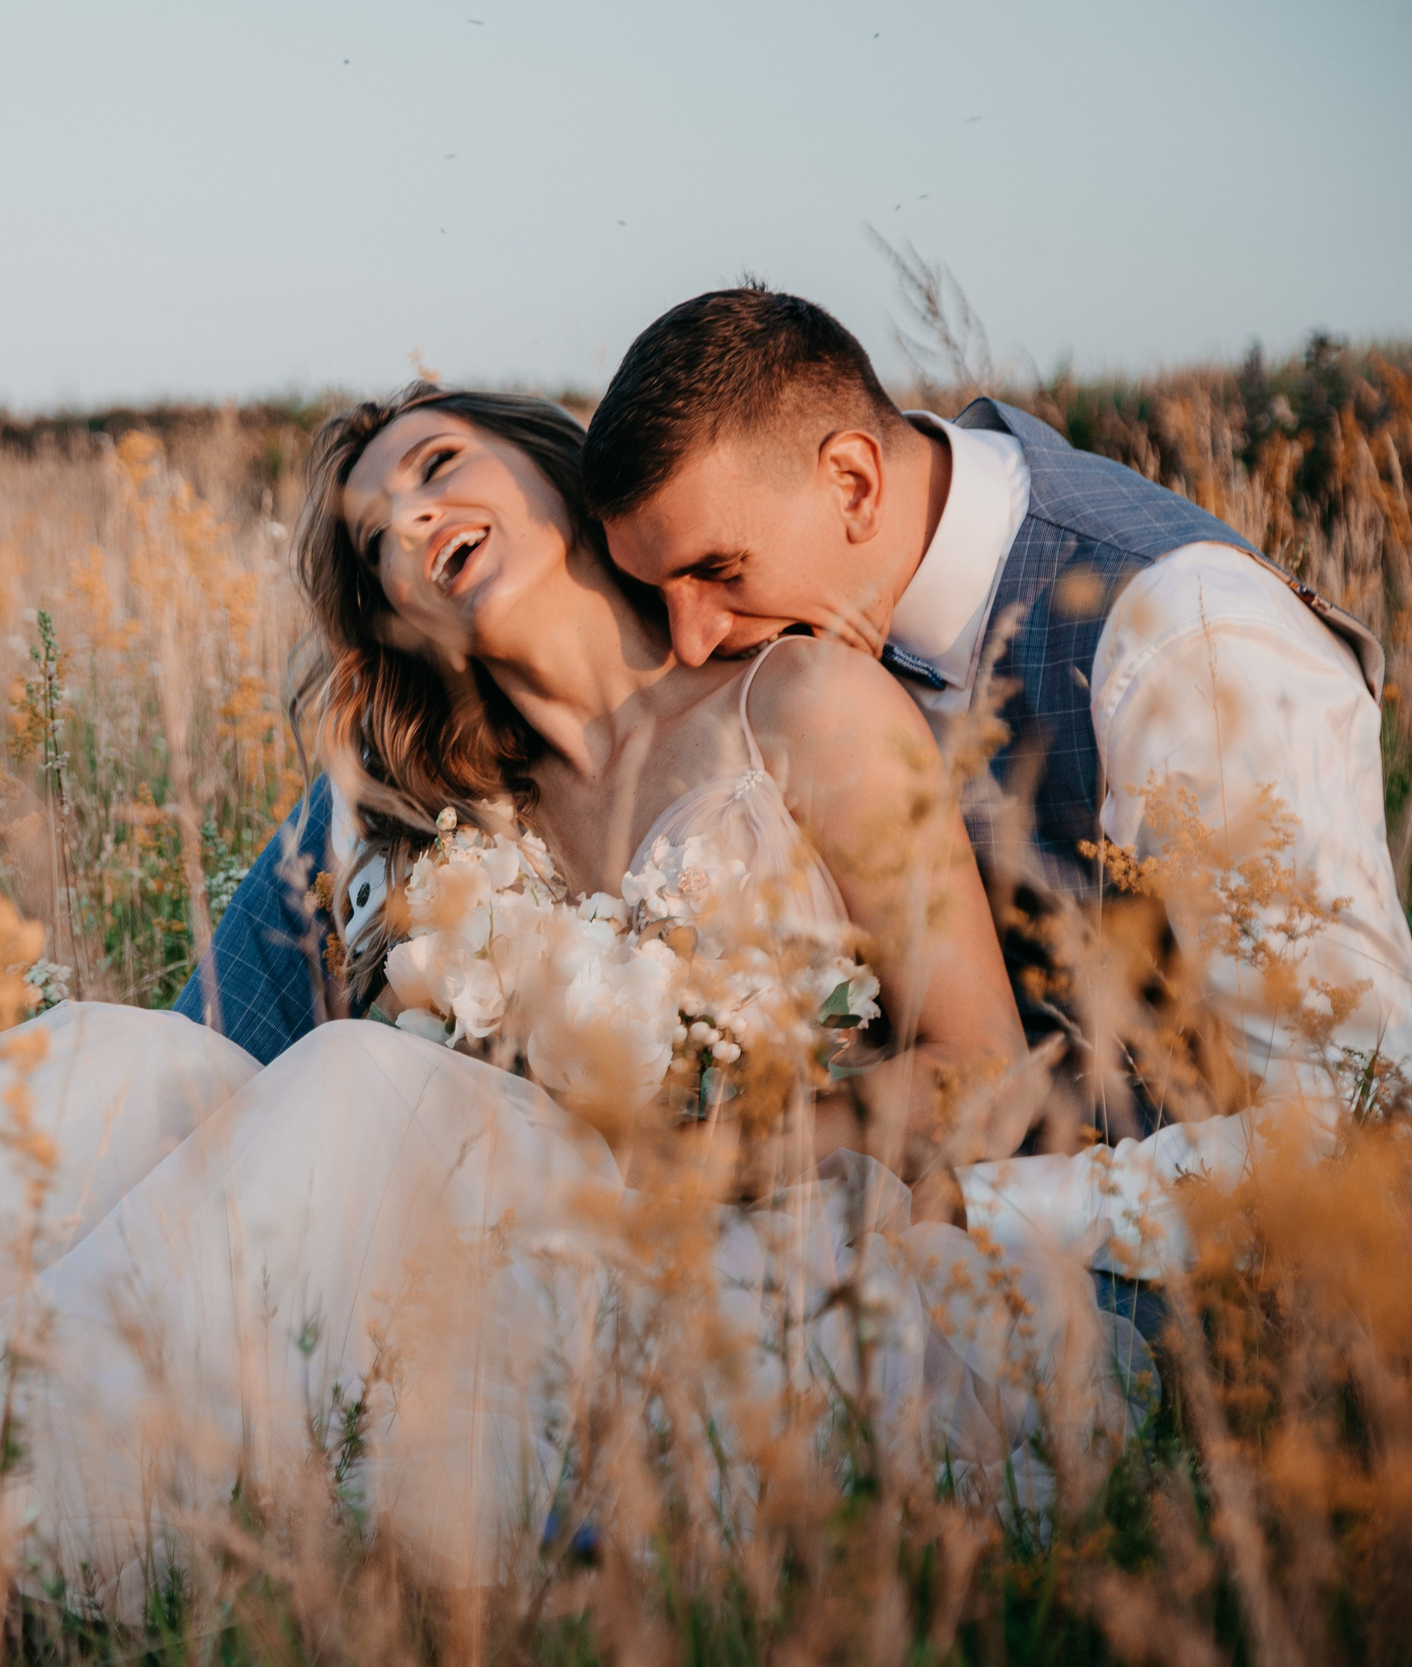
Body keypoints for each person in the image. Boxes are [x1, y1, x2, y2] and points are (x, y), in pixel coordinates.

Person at [0, 388, 1131, 1612]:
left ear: (550, 467)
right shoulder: (432, 823)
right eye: (367, 531)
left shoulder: (807, 701)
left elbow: (983, 1084)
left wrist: (723, 1130)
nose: (400, 516)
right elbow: (239, 1064)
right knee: (126, 1057)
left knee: (352, 1079)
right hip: (497, 1236)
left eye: (433, 464)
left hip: (745, 1246)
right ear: (387, 614)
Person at [190, 288, 1412, 1300]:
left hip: (1086, 1229)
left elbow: (1364, 1122)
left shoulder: (1179, 636)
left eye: (718, 573)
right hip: (759, 1198)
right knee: (226, 1045)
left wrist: (971, 1209)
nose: (693, 632)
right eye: (659, 583)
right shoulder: (792, 562)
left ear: (854, 485)